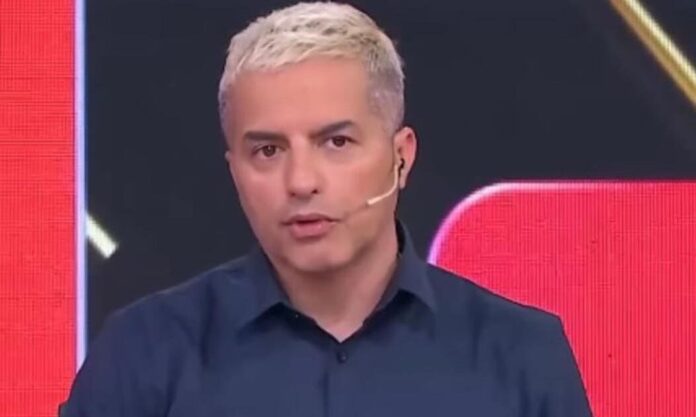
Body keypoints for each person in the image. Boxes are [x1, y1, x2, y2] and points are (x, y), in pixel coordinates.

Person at [62, 2, 593, 416]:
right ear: (235, 172)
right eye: (267, 151)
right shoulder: (143, 353)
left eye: (336, 142)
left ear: (401, 157)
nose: (301, 182)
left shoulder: (521, 354)